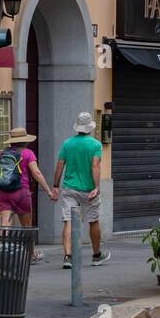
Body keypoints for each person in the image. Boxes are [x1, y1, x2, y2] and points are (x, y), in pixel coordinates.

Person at [52, 112, 111, 268]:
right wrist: (97, 187)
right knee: (93, 220)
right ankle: (97, 255)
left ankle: (67, 257)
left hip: (69, 188)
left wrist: (55, 186)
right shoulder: (95, 145)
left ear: (77, 128)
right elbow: (95, 166)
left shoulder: (67, 144)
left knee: (68, 221)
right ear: (90, 127)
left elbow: (59, 166)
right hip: (88, 189)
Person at [0, 128, 55, 263]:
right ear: (25, 141)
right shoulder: (28, 153)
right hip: (21, 193)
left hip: (3, 193)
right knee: (27, 226)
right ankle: (30, 255)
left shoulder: (3, 153)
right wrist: (48, 191)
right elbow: (36, 173)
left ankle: (1, 255)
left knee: (5, 224)